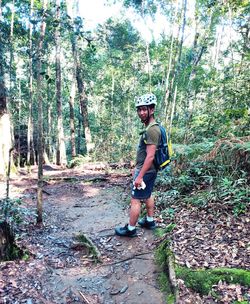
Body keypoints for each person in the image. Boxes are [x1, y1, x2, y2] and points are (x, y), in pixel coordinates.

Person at [115, 93, 161, 237]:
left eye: (144, 109)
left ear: (151, 110)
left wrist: (139, 176)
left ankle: (130, 229)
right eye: (139, 109)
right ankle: (149, 220)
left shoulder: (152, 130)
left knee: (135, 199)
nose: (141, 112)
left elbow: (150, 156)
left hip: (146, 171)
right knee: (148, 195)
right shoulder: (151, 127)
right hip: (150, 170)